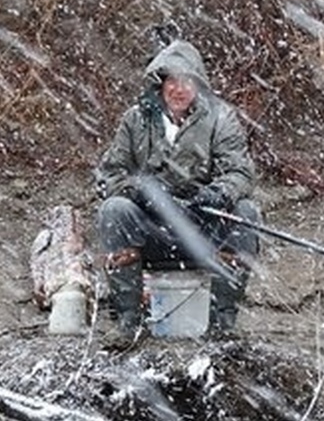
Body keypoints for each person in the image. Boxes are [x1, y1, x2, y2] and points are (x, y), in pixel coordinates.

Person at [93, 38, 260, 349]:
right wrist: (142, 192)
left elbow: (240, 173)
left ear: (198, 84)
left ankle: (223, 322)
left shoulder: (221, 119)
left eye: (187, 81)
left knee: (247, 212)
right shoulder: (136, 119)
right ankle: (128, 322)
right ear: (161, 84)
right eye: (172, 80)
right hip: (153, 234)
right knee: (114, 210)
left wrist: (218, 194)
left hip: (202, 232)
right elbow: (108, 175)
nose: (179, 89)